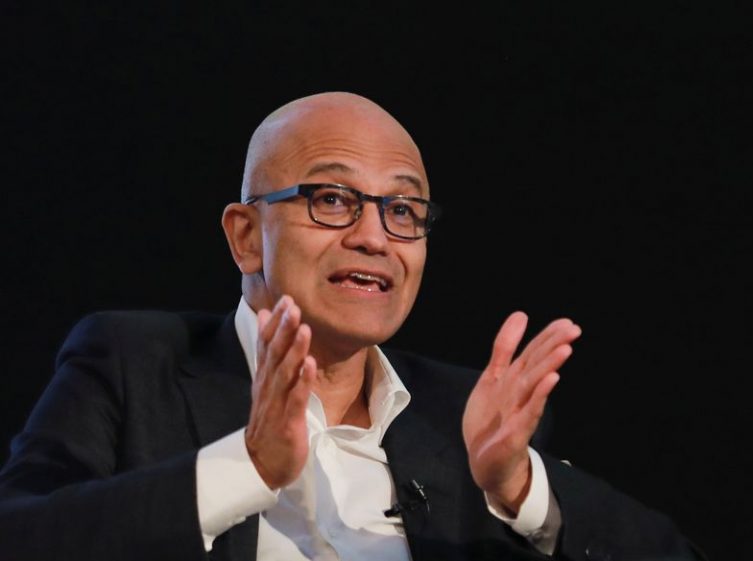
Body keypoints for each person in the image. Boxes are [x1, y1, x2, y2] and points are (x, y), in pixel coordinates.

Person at [0, 91, 706, 561]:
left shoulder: (467, 419)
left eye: (402, 210)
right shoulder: (133, 364)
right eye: (332, 199)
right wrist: (245, 468)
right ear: (246, 236)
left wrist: (523, 488)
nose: (374, 237)